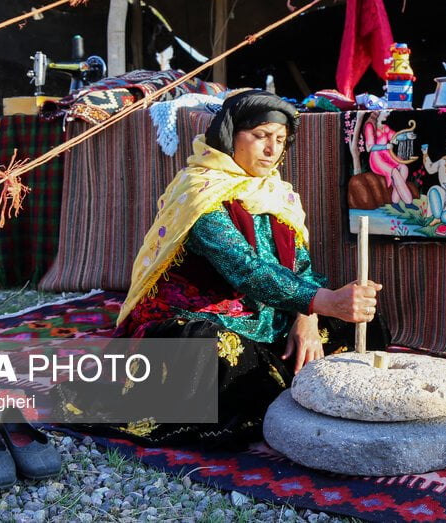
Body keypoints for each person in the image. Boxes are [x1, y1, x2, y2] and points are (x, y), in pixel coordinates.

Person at [67, 90, 385, 447]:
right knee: (214, 349)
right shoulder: (199, 192)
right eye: (261, 136)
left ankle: (286, 383)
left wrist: (307, 318)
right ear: (230, 135)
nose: (272, 150)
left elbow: (301, 267)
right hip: (206, 317)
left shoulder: (276, 193)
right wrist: (321, 301)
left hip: (270, 314)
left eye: (280, 140)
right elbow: (244, 270)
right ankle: (287, 389)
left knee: (362, 320)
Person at [363, 111, 416, 207]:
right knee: (394, 171)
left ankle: (395, 201)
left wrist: (406, 136)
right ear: (379, 112)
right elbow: (369, 148)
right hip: (376, 158)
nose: (388, 114)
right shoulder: (369, 126)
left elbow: (395, 136)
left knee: (404, 168)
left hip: (387, 155)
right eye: (386, 111)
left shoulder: (385, 127)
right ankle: (408, 202)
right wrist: (386, 146)